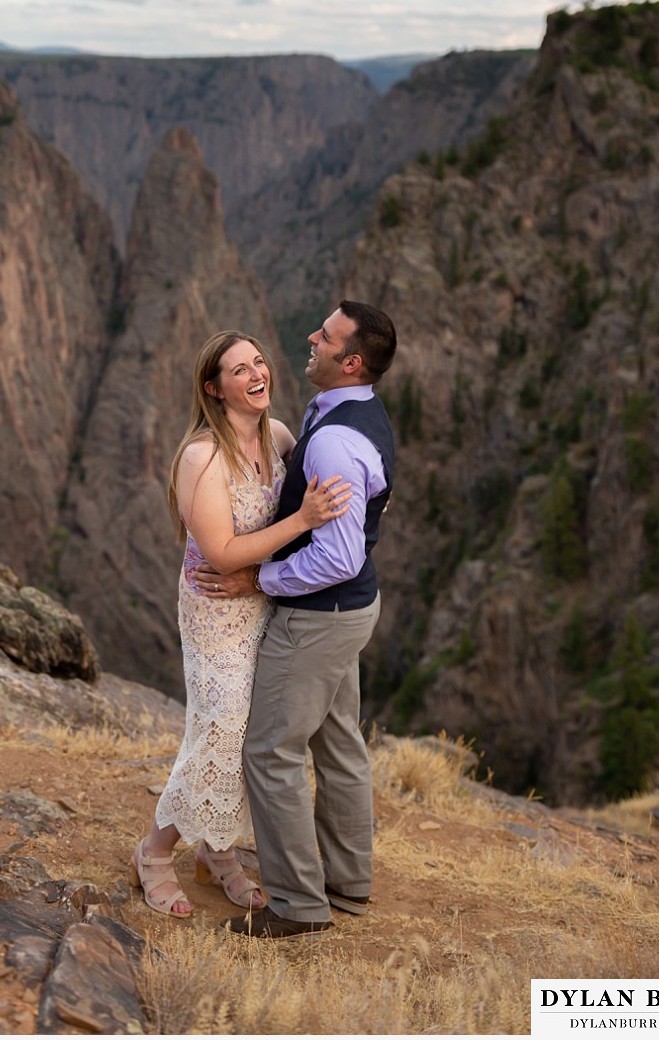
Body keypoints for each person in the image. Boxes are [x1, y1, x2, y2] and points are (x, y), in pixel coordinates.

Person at [130, 329, 353, 918]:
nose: (256, 374)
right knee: (219, 733)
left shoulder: (278, 437)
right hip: (216, 612)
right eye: (238, 370)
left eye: (259, 362)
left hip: (265, 602)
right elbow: (223, 552)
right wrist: (303, 518)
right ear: (214, 388)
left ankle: (219, 852)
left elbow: (330, 487)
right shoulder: (201, 458)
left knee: (253, 733)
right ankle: (153, 853)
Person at [193, 300, 397, 940]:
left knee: (270, 750)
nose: (311, 337)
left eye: (327, 336)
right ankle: (346, 881)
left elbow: (337, 555)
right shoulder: (341, 410)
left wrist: (260, 579)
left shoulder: (334, 439)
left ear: (352, 360)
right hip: (352, 611)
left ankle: (297, 905)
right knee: (339, 744)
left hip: (318, 618)